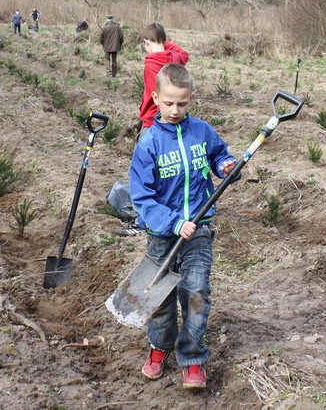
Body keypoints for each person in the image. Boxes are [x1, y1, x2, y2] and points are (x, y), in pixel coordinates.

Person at [129, 63, 237, 390]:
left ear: (191, 99)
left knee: (196, 293)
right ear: (155, 98)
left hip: (199, 231)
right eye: (169, 103)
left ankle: (191, 357)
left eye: (182, 104)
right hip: (163, 236)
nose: (175, 110)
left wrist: (226, 165)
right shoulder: (148, 144)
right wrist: (174, 223)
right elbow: (142, 197)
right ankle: (160, 347)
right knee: (160, 298)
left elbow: (219, 155)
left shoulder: (202, 131)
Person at [138, 23, 189, 135]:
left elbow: (159, 98)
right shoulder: (175, 57)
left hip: (154, 121)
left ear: (146, 42)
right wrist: (161, 41)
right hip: (174, 118)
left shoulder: (151, 65)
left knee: (143, 150)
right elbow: (184, 54)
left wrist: (161, 126)